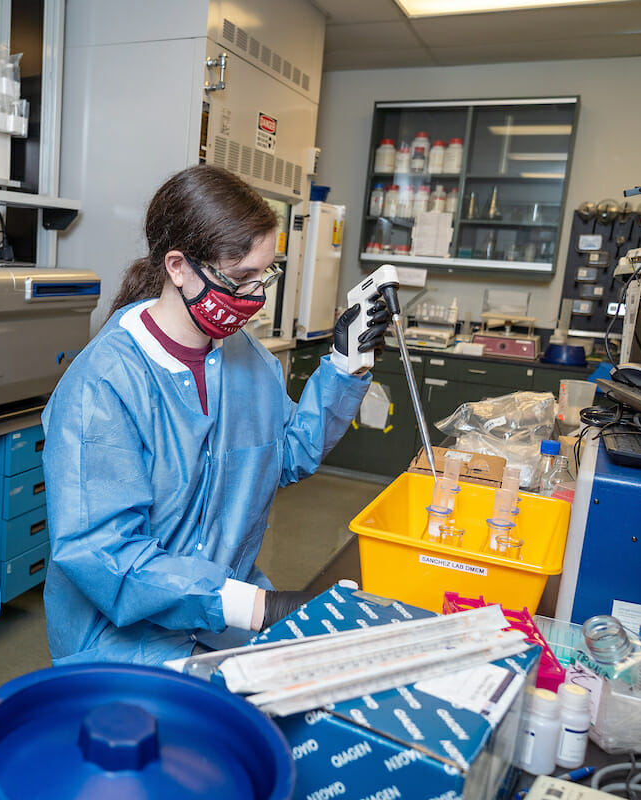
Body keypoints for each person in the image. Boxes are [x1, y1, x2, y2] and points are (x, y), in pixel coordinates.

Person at [41, 164, 389, 666]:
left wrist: (345, 363)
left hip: (225, 629)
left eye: (265, 275)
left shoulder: (247, 358)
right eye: (241, 277)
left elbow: (288, 453)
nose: (257, 296)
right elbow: (103, 554)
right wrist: (258, 606)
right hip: (124, 646)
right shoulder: (104, 385)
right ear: (178, 266)